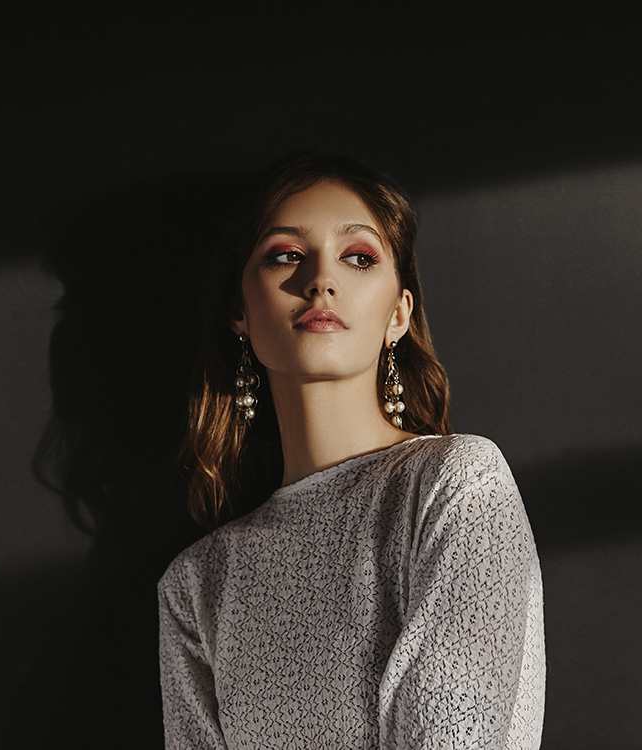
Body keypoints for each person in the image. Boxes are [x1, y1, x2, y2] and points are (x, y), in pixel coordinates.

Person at [157, 150, 545, 749]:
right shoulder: (197, 583)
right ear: (239, 309)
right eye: (286, 254)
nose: (320, 280)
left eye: (358, 257)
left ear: (398, 315)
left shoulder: (456, 484)